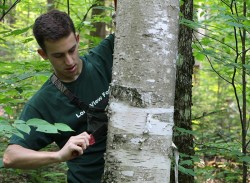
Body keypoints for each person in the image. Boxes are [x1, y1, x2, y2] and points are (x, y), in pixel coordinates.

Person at [3, 9, 114, 183]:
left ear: (77, 40)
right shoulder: (44, 102)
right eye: (59, 55)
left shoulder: (104, 56)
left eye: (72, 50)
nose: (69, 61)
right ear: (43, 54)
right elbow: (11, 157)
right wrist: (59, 156)